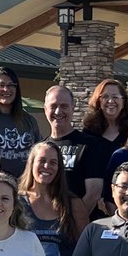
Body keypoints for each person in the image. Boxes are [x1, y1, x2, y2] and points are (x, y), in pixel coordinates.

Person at [44, 85, 104, 218]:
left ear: (73, 107)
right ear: (45, 109)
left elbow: (93, 193)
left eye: (64, 106)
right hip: (47, 223)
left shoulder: (89, 144)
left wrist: (73, 222)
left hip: (79, 224)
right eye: (53, 106)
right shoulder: (40, 148)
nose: (58, 111)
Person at [81, 78, 128, 150]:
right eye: (105, 96)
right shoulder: (89, 131)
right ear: (98, 102)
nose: (110, 101)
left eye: (115, 97)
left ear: (123, 102)